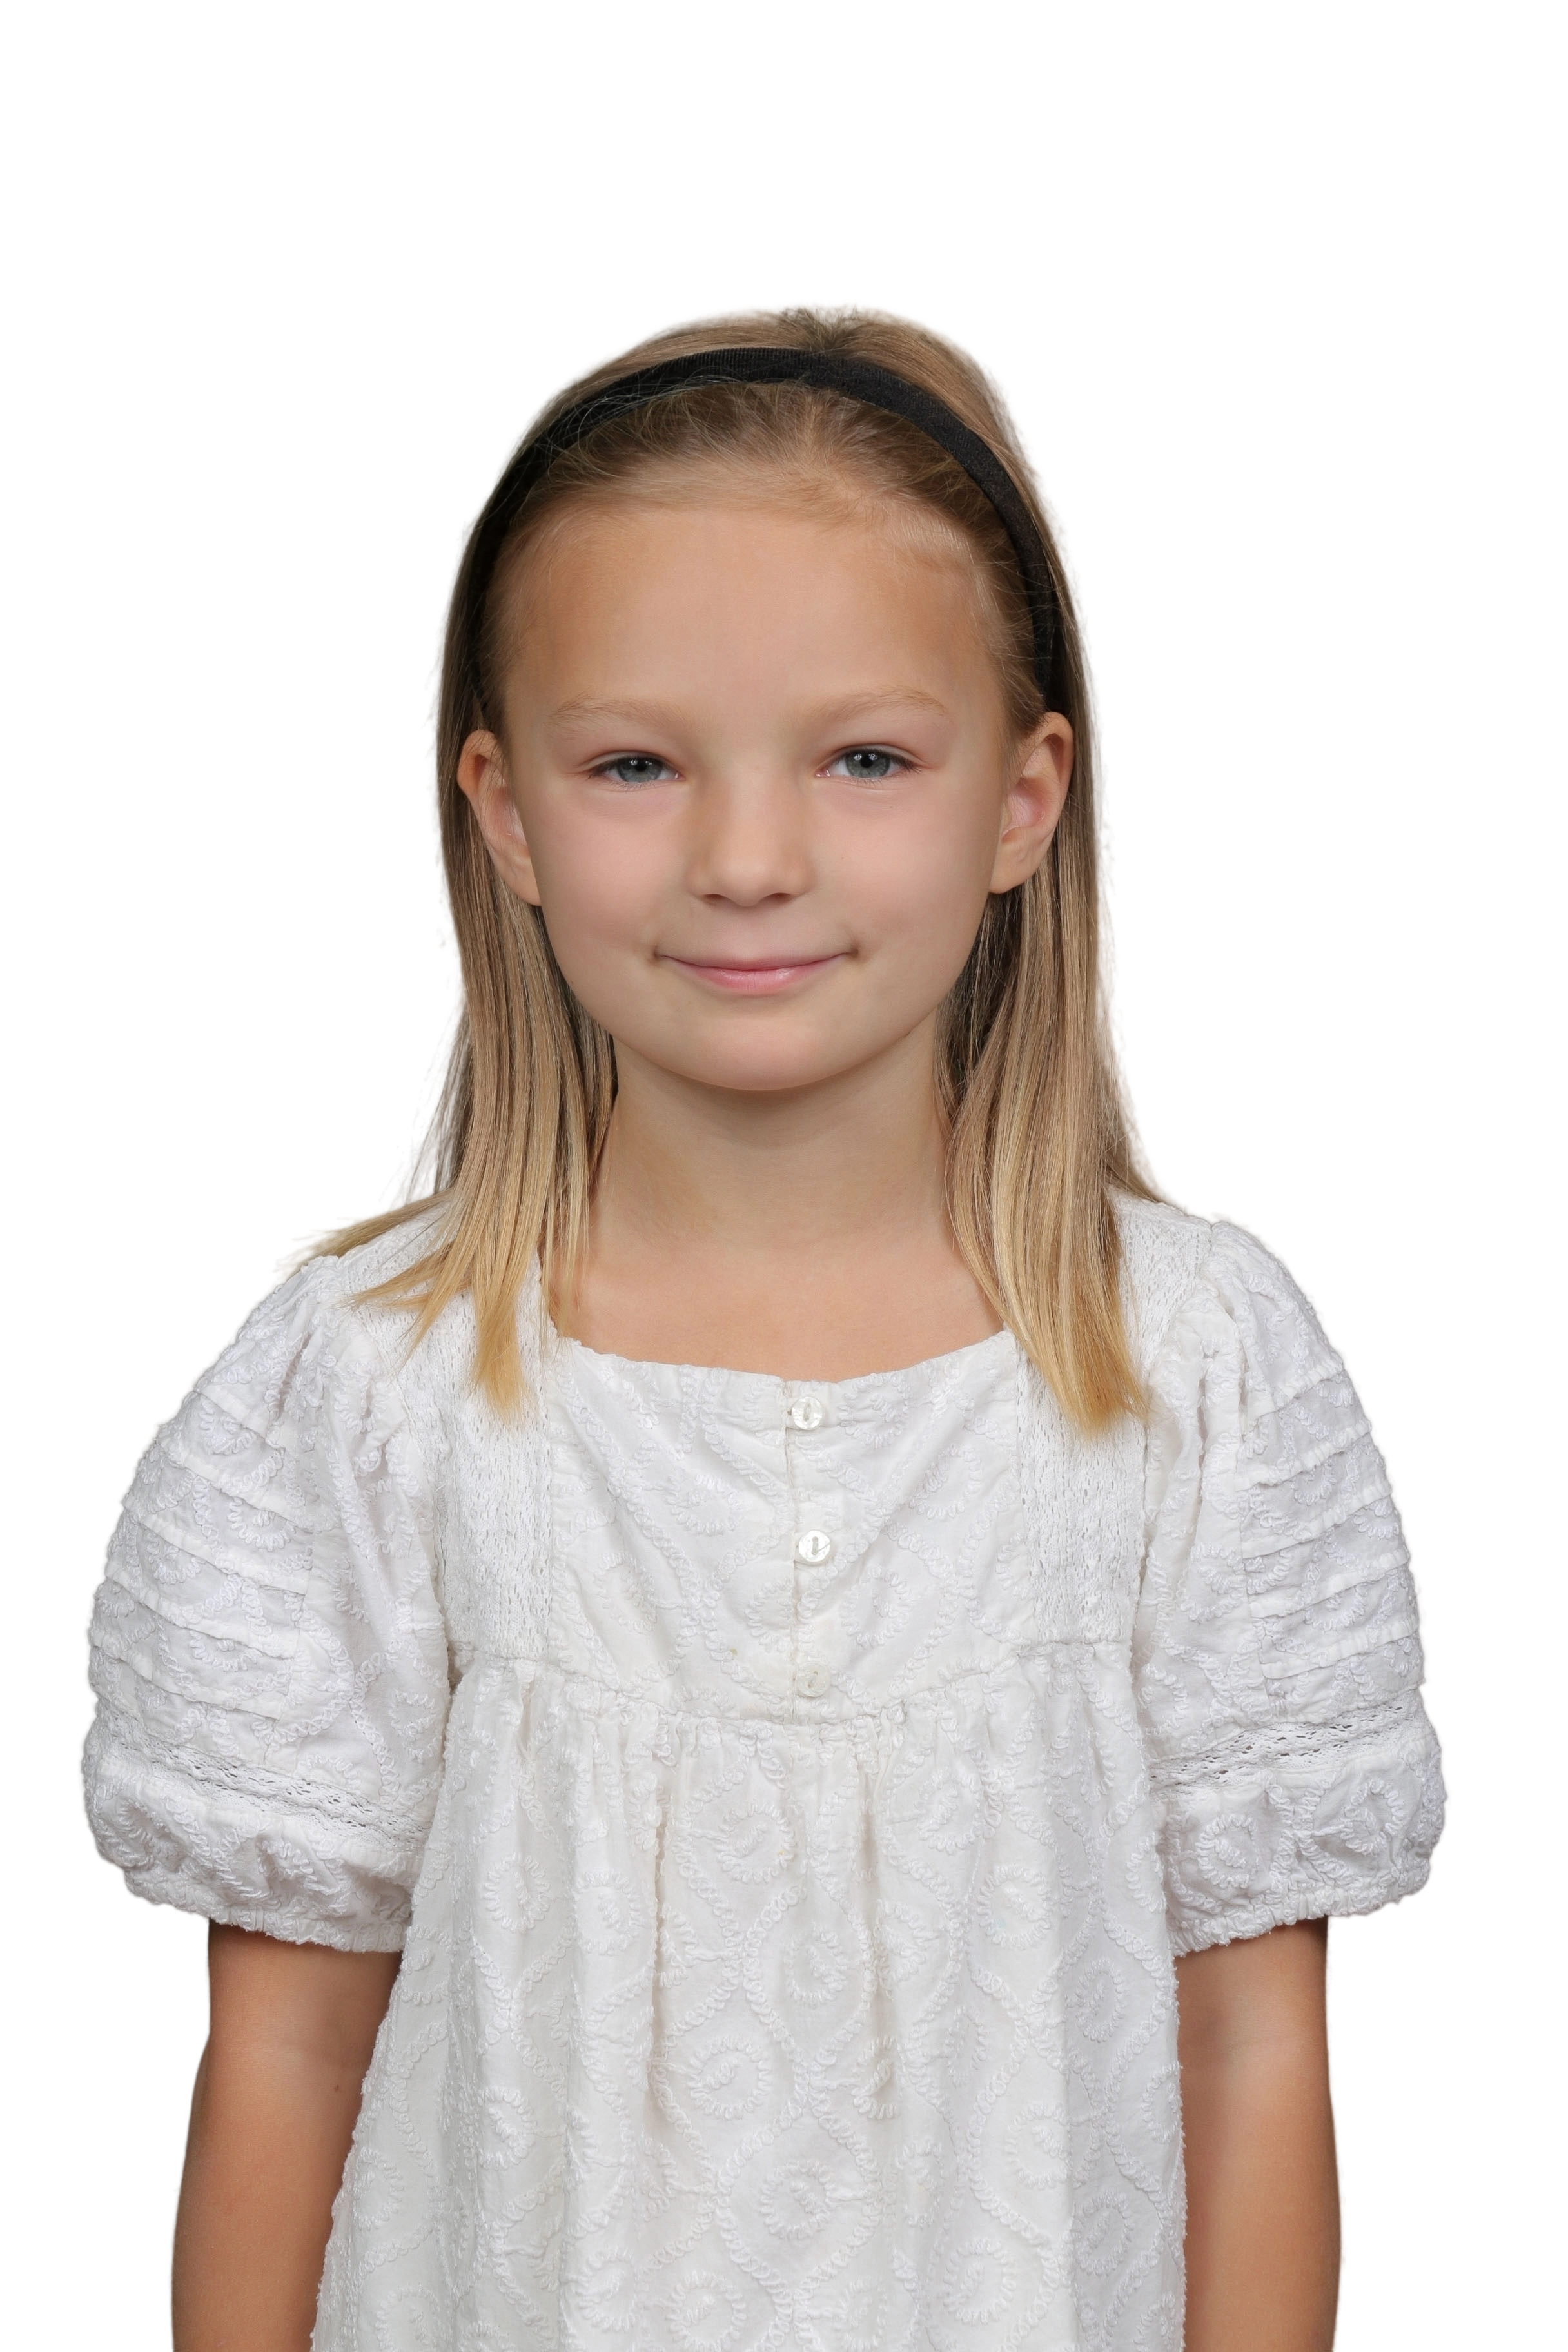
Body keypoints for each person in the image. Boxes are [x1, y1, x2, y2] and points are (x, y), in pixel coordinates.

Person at [76, 298, 1450, 2352]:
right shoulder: (369, 1387)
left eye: (865, 758)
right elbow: (289, 2047)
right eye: (635, 763)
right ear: (503, 811)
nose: (745, 859)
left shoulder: (1197, 1370)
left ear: (1024, 796)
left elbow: (1251, 2045)